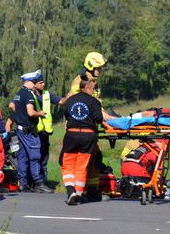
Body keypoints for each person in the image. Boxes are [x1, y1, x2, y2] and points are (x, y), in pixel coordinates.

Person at [67, 52, 116, 201]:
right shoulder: (81, 82)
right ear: (91, 66)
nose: (100, 71)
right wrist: (109, 120)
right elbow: (78, 104)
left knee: (95, 158)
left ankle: (91, 191)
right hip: (81, 127)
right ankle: (79, 192)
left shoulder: (92, 81)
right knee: (82, 161)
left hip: (89, 127)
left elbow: (96, 103)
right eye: (98, 67)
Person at [61, 76, 103, 205]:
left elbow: (67, 115)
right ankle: (78, 195)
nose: (94, 90)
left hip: (71, 135)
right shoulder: (94, 101)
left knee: (68, 164)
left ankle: (70, 191)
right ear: (87, 87)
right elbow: (98, 118)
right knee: (81, 166)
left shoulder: (70, 100)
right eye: (93, 88)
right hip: (88, 136)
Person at [12, 70, 52, 193]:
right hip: (29, 131)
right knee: (35, 156)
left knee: (22, 157)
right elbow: (31, 112)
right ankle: (38, 183)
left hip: (20, 130)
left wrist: (20, 116)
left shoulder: (19, 93)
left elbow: (11, 106)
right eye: (33, 82)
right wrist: (39, 113)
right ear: (28, 82)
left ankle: (23, 183)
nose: (35, 85)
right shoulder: (29, 94)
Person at [32, 71, 66, 182]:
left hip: (45, 131)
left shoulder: (47, 94)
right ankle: (35, 179)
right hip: (34, 131)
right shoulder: (30, 94)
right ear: (35, 84)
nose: (43, 85)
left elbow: (60, 101)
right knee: (35, 156)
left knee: (44, 155)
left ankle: (44, 178)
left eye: (43, 82)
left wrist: (70, 95)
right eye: (40, 83)